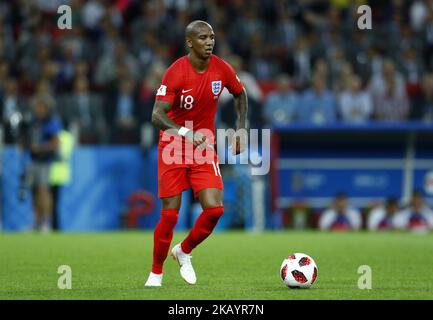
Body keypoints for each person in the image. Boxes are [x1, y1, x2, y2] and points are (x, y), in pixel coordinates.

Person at [145, 21, 248, 287]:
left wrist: (241, 129)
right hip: (174, 145)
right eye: (203, 38)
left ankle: (184, 250)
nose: (209, 42)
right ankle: (156, 272)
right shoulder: (176, 72)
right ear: (190, 42)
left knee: (214, 210)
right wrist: (186, 133)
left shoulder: (222, 68)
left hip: (203, 147)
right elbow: (157, 115)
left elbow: (240, 93)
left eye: (212, 37)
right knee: (170, 214)